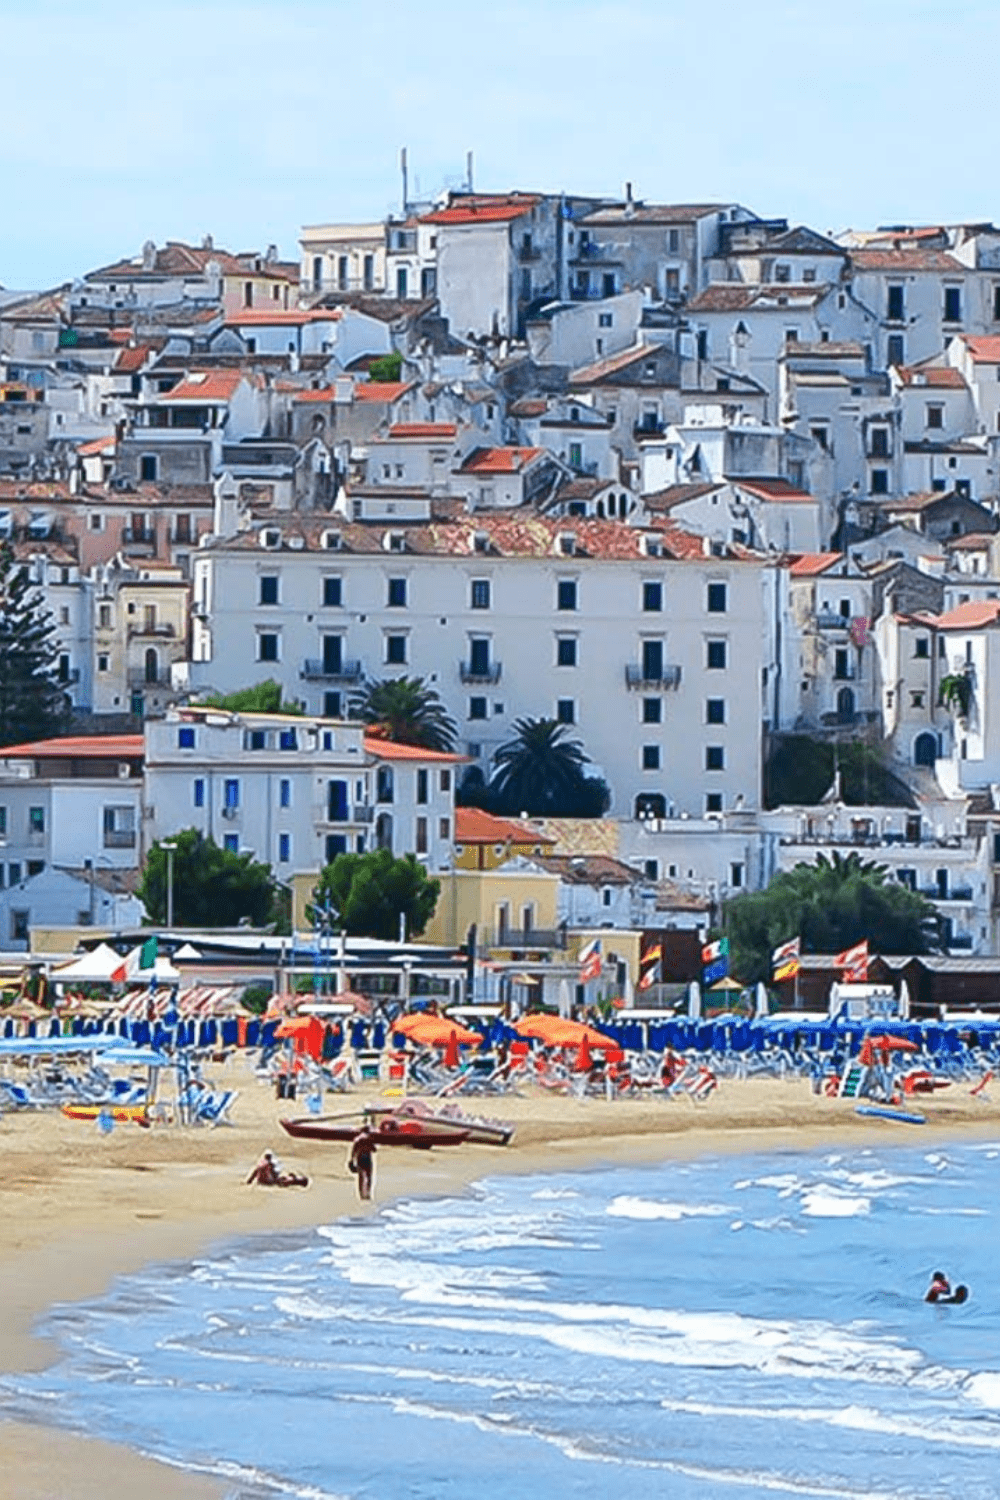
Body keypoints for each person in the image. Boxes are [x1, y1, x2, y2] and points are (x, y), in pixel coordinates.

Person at [348, 1125, 377, 1201]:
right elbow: (374, 1150)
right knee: (369, 1176)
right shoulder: (369, 1138)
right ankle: (368, 1193)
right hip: (367, 1158)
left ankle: (361, 1195)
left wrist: (351, 1160)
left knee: (361, 1177)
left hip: (360, 1158)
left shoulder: (357, 1139)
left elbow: (354, 1151)